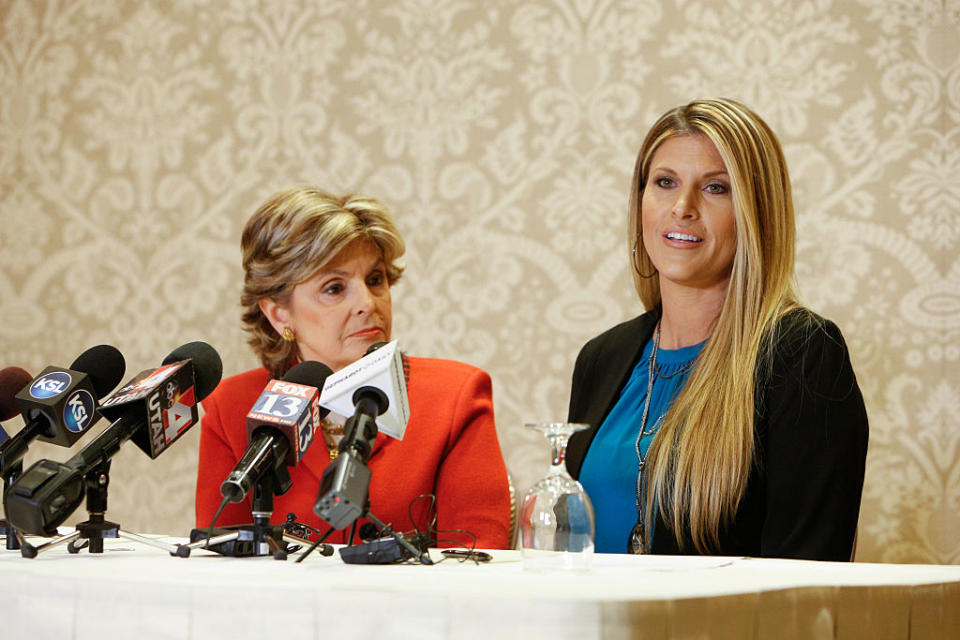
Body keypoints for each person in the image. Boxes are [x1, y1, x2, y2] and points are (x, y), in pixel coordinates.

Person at [566, 98, 868, 560]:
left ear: (756, 213)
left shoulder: (802, 354)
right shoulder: (601, 357)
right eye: (665, 182)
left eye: (716, 188)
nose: (682, 208)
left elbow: (809, 575)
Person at [196, 187, 512, 549]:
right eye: (334, 288)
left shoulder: (455, 397)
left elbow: (479, 562)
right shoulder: (233, 407)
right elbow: (220, 566)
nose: (367, 302)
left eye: (375, 280)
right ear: (279, 314)